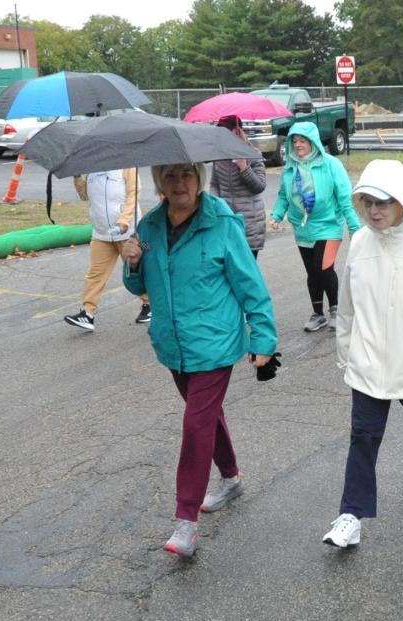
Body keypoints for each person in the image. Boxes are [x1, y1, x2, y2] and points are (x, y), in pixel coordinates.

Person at [122, 162, 278, 557]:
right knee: (206, 416)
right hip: (173, 344)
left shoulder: (222, 224)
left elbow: (251, 284)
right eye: (170, 176)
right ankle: (230, 477)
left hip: (215, 341)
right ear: (160, 181)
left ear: (199, 180)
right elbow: (138, 286)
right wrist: (133, 262)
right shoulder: (151, 225)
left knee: (195, 424)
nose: (179, 184)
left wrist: (263, 338)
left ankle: (186, 520)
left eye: (187, 175)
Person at [322, 159, 403, 550]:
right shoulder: (361, 241)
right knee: (363, 435)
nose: (375, 210)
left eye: (383, 202)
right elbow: (347, 305)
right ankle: (351, 515)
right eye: (368, 202)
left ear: (402, 201)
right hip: (367, 361)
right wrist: (346, 353)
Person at [271, 122, 361, 332]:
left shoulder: (330, 164)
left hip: (328, 225)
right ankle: (318, 314)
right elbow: (284, 196)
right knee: (312, 272)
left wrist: (354, 226)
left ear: (313, 142)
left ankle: (336, 311)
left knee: (325, 268)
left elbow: (345, 197)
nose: (298, 145)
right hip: (302, 227)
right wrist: (276, 215)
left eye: (302, 141)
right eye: (295, 141)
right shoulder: (289, 168)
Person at [63, 168, 150, 331]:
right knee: (95, 273)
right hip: (102, 232)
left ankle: (150, 304)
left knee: (136, 272)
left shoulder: (128, 167)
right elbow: (84, 196)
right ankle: (87, 313)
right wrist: (77, 177)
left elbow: (133, 195)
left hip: (126, 231)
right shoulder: (93, 170)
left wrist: (124, 221)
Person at [210, 114, 267, 259]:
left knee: (247, 272)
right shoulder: (219, 155)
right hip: (226, 219)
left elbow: (259, 186)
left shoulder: (253, 154)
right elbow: (214, 184)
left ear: (236, 131)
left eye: (225, 132)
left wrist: (244, 167)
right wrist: (215, 204)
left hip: (249, 222)